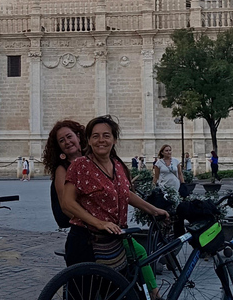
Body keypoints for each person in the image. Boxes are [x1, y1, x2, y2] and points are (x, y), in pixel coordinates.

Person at [60, 115, 169, 299]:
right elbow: (67, 202)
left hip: (114, 242)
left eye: (106, 135)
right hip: (85, 241)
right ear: (88, 140)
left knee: (116, 293)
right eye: (95, 136)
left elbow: (125, 194)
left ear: (114, 139)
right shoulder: (80, 165)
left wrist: (154, 210)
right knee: (83, 295)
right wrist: (99, 222)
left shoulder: (118, 166)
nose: (101, 140)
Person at [42, 119, 87, 229]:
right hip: (83, 227)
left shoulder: (92, 160)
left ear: (78, 137)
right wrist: (92, 225)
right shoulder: (62, 169)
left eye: (69, 136)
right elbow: (66, 206)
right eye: (62, 140)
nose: (67, 142)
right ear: (59, 147)